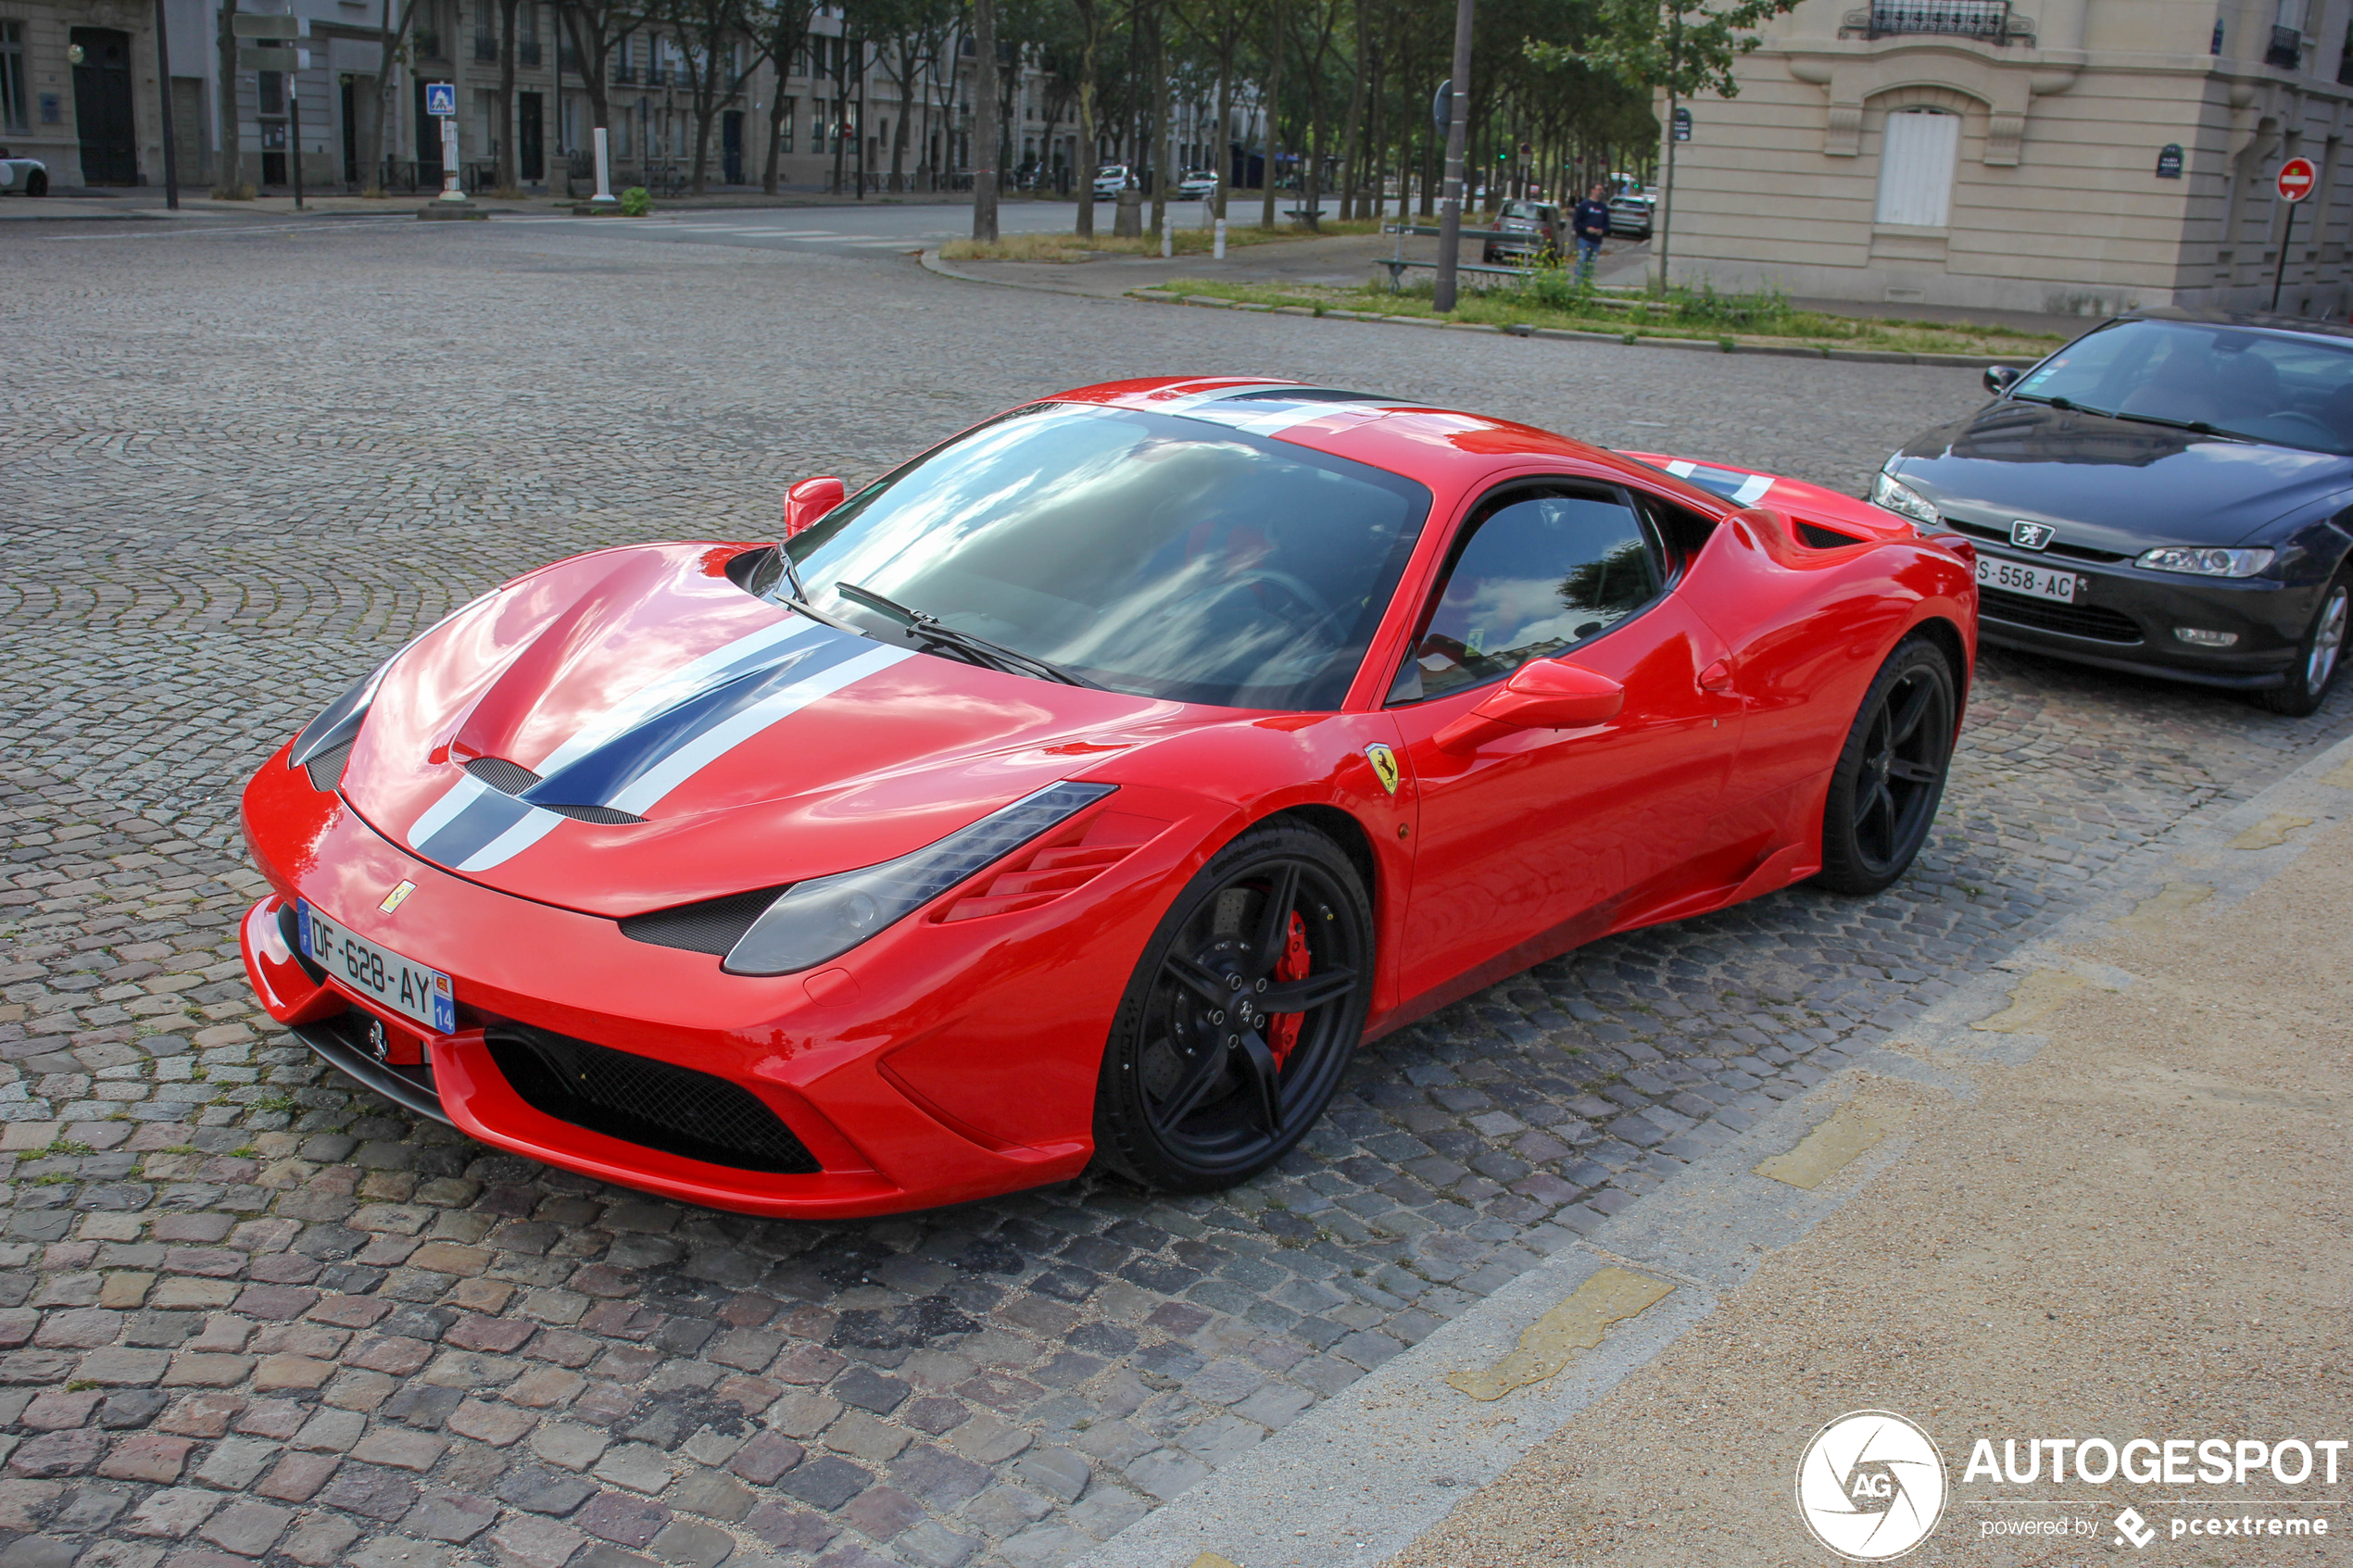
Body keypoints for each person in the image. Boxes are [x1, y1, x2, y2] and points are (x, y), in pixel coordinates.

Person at [1572, 183, 1611, 284]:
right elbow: (1576, 222)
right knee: (1582, 260)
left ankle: (1586, 284)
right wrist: (1586, 229)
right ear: (1592, 190)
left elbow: (1607, 224)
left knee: (1591, 263)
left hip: (1596, 240)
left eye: (1601, 190)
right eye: (1598, 189)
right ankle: (1578, 285)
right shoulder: (1584, 205)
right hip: (1584, 239)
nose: (1600, 192)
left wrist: (1602, 230)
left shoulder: (1603, 207)